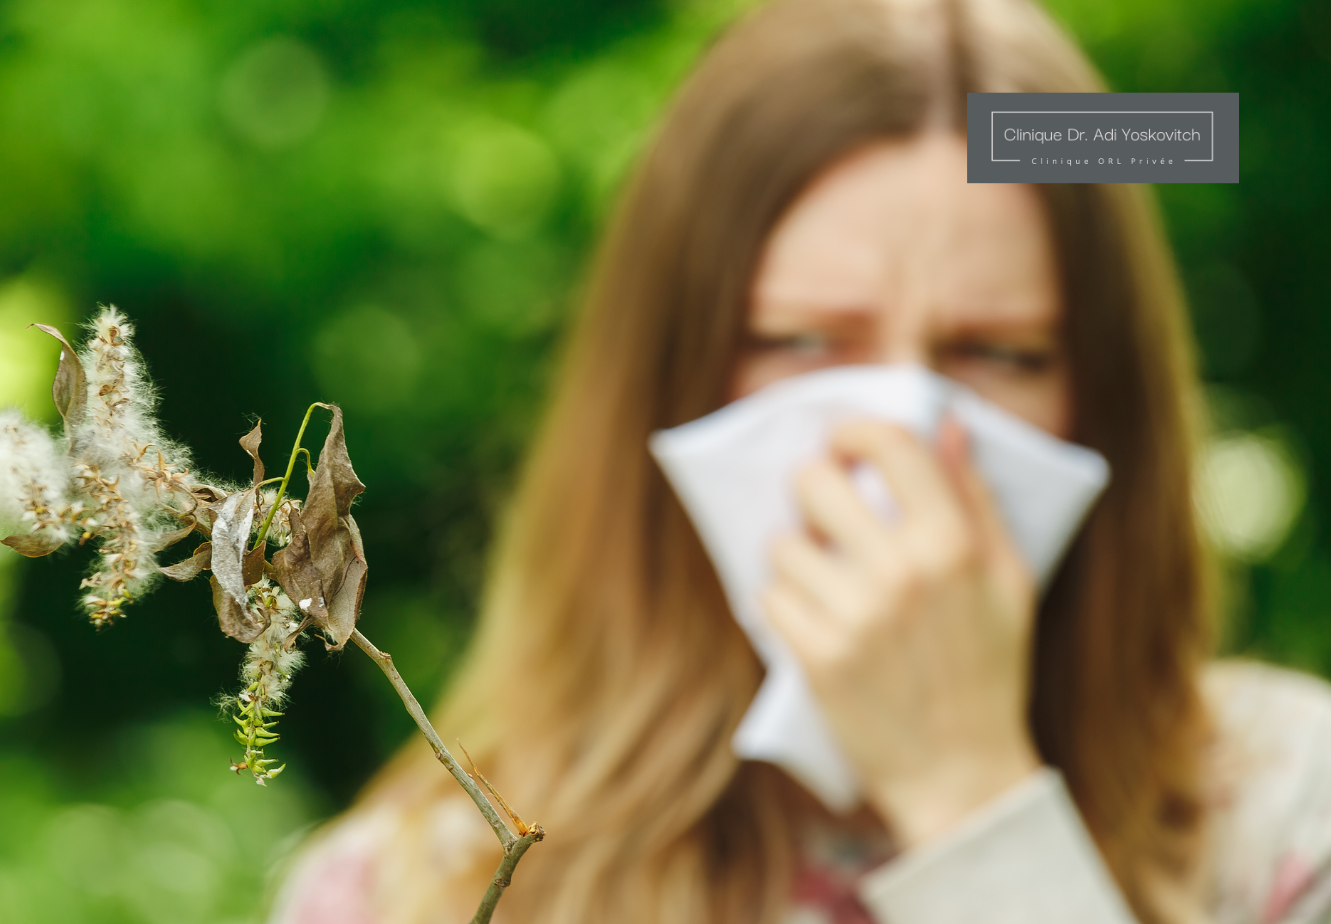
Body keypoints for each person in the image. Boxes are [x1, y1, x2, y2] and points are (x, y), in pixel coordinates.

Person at [270, 0, 1331, 921]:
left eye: (1000, 352)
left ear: (1103, 401)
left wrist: (970, 794)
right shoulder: (416, 887)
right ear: (669, 379)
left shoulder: (1290, 816)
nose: (897, 431)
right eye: (803, 341)